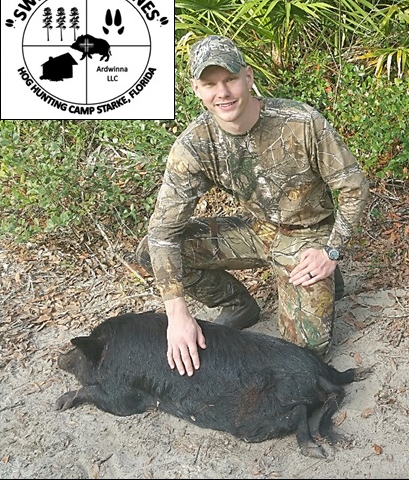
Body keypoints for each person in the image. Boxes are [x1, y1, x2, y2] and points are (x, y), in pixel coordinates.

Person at [134, 35, 370, 375]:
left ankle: (326, 278)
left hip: (308, 233)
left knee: (302, 354)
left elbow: (353, 186)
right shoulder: (194, 146)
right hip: (256, 229)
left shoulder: (301, 122)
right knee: (149, 253)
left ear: (248, 78)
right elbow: (162, 233)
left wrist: (331, 251)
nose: (223, 92)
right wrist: (178, 315)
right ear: (196, 90)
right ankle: (238, 305)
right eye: (210, 84)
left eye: (230, 79)